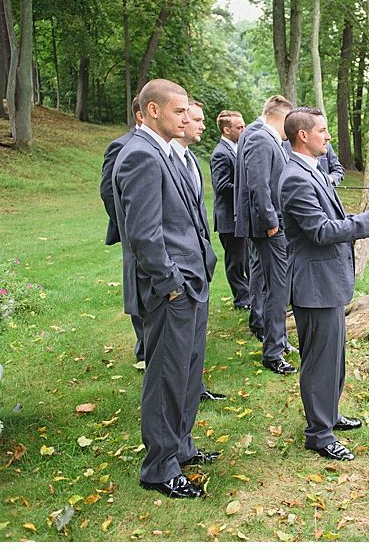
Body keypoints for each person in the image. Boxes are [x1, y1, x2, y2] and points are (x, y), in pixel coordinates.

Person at [112, 79, 218, 499]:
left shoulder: (166, 151)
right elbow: (143, 234)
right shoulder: (140, 155)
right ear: (152, 111)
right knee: (166, 376)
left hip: (193, 280)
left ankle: (181, 446)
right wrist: (171, 285)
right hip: (171, 290)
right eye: (178, 112)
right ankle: (158, 466)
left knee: (188, 373)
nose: (185, 118)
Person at [278, 107, 369, 460]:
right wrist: (365, 220)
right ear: (303, 135)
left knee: (334, 358)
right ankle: (318, 433)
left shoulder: (311, 171)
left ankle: (329, 415)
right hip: (314, 286)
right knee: (319, 361)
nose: (329, 137)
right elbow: (319, 231)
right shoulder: (295, 177)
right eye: (323, 131)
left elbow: (333, 218)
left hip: (327, 283)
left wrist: (364, 223)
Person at [234, 95, 296, 375]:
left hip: (273, 224)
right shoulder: (261, 138)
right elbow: (257, 184)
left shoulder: (271, 139)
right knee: (278, 289)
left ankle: (279, 341)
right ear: (279, 117)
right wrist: (270, 221)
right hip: (269, 227)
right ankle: (273, 353)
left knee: (273, 285)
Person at [170, 100, 227, 403]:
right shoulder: (155, 158)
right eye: (196, 119)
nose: (202, 125)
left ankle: (195, 390)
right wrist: (171, 282)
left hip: (198, 264)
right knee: (174, 354)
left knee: (194, 343)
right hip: (176, 274)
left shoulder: (190, 159)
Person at [100, 98, 146, 363]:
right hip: (134, 229)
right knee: (138, 286)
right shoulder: (121, 146)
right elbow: (108, 191)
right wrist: (127, 225)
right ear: (141, 115)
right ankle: (144, 349)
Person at [210, 110, 251, 310]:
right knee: (235, 261)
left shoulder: (236, 148)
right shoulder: (220, 153)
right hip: (228, 218)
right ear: (227, 130)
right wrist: (246, 187)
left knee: (245, 258)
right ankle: (241, 299)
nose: (244, 130)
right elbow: (221, 186)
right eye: (239, 127)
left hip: (239, 216)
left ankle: (249, 295)